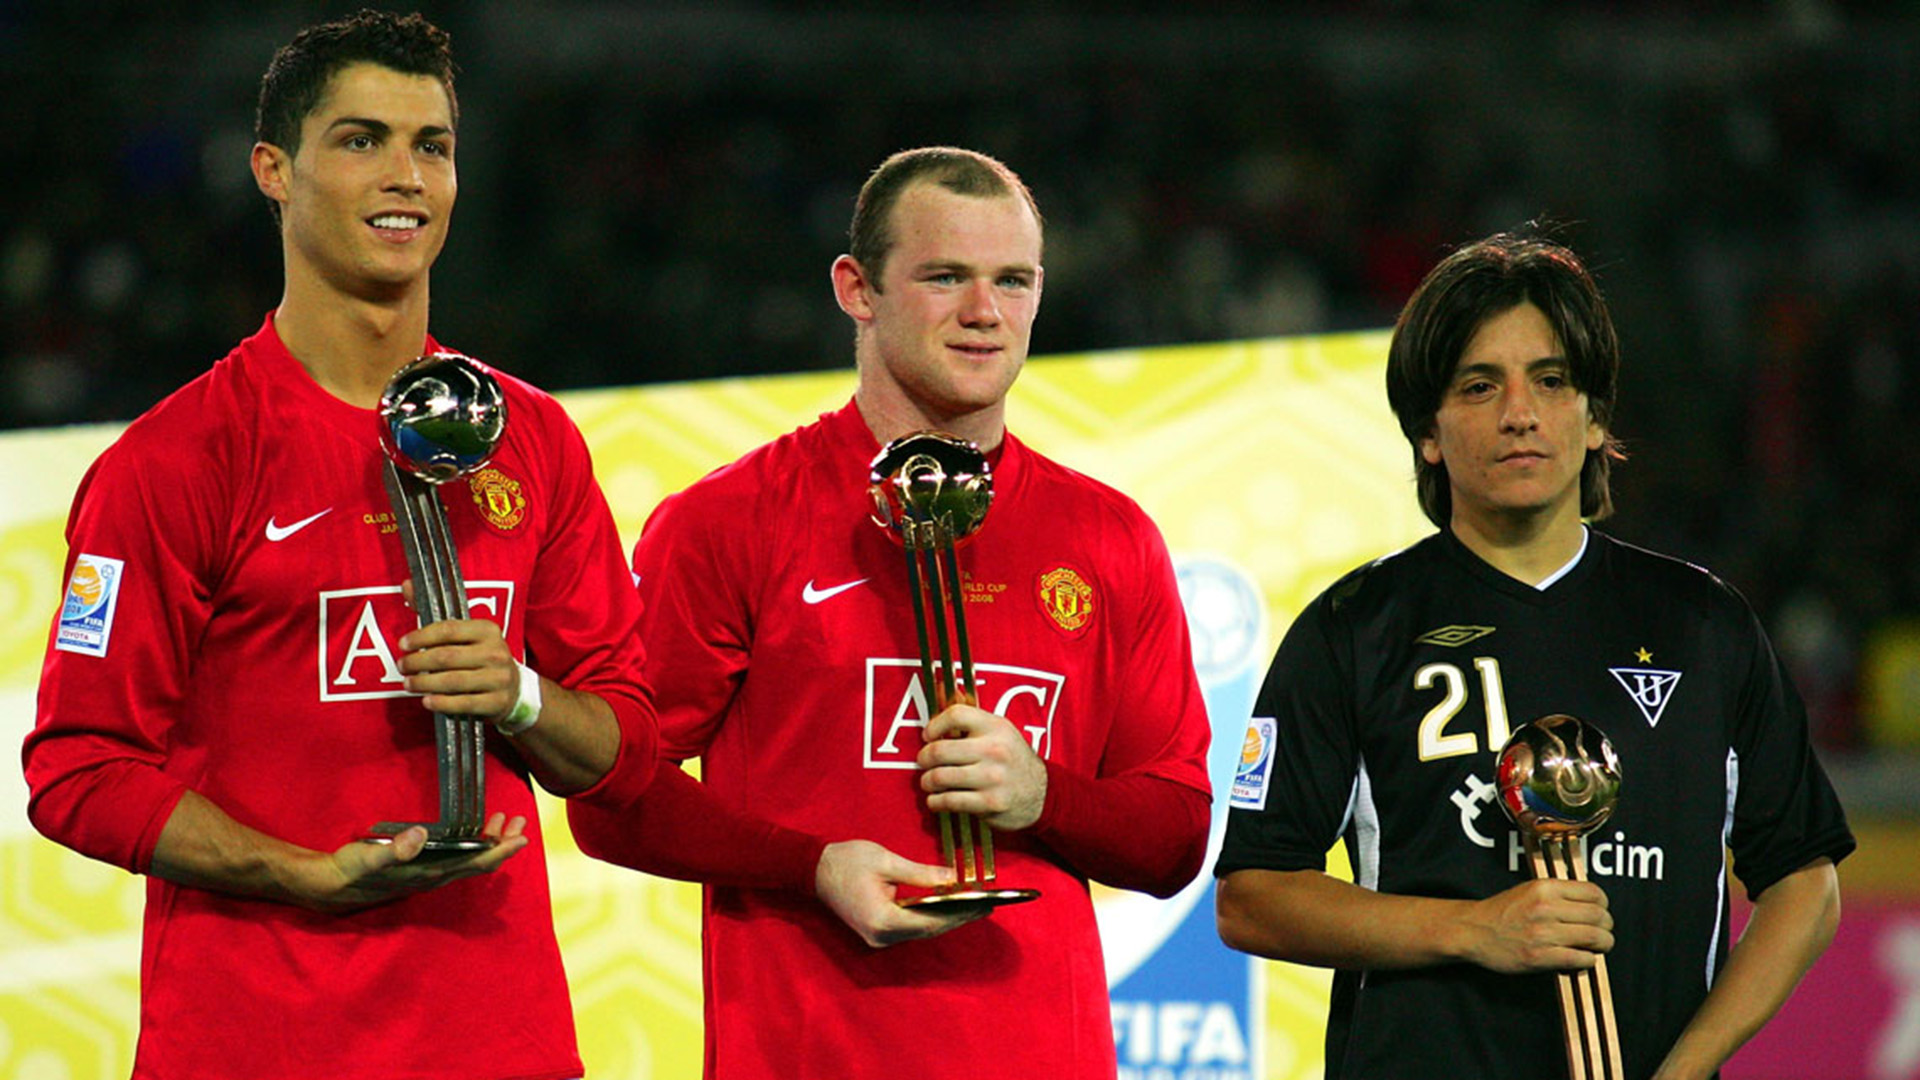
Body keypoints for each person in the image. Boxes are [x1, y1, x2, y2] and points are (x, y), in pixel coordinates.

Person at [22, 12, 658, 1080]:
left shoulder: (533, 439)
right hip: (258, 1040)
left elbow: (630, 744)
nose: (406, 175)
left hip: (500, 1042)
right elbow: (77, 769)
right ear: (273, 169)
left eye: (433, 145)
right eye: (362, 140)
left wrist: (524, 697)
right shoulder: (177, 460)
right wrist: (298, 874)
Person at [567, 146, 1214, 1079]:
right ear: (856, 289)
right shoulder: (728, 523)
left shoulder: (1109, 537)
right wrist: (812, 865)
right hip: (803, 1053)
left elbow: (1175, 838)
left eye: (1014, 281)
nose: (985, 313)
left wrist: (1046, 797)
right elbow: (613, 797)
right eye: (945, 277)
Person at [1213, 231, 1855, 1080]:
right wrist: (1474, 930)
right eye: (1480, 386)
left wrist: (1687, 1068)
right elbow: (1253, 898)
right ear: (1429, 434)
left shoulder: (1704, 624)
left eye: (1551, 381)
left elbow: (1805, 884)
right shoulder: (1353, 627)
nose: (1520, 412)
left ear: (1594, 419)